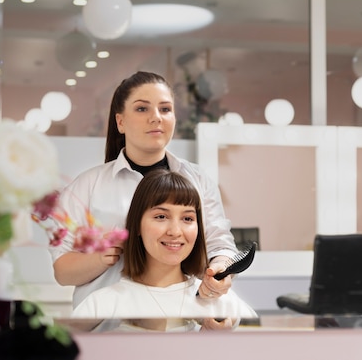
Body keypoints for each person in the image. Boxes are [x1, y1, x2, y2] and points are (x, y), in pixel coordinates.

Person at [49, 70, 238, 311]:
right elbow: (62, 272)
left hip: (180, 325)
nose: (156, 117)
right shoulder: (86, 186)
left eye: (165, 109)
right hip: (106, 331)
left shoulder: (198, 180)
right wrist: (100, 259)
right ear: (120, 121)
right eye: (142, 109)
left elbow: (219, 245)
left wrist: (220, 269)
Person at [70, 170, 257, 332]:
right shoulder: (103, 303)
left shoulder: (220, 304)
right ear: (136, 226)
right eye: (161, 216)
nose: (175, 232)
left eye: (187, 219)